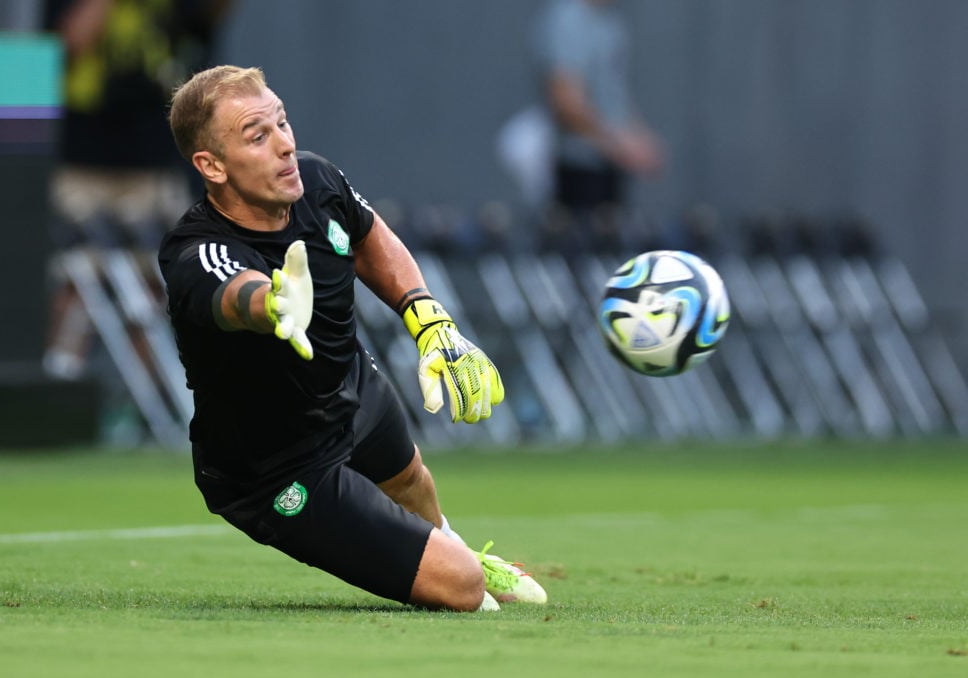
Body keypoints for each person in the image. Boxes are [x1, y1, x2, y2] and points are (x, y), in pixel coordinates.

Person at [157, 65, 548, 612]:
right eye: (258, 135)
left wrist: (428, 320)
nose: (285, 146)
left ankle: (452, 545)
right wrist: (271, 303)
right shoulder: (196, 249)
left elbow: (370, 240)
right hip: (277, 466)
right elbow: (231, 294)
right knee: (460, 587)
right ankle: (460, 571)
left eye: (283, 123)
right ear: (211, 165)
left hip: (351, 389)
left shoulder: (317, 180)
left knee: (412, 479)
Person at [42, 0, 234, 380]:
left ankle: (141, 400)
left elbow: (212, 14)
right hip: (84, 158)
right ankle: (60, 386)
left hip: (154, 159)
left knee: (154, 284)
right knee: (77, 278)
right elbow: (68, 44)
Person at [532, 0, 665, 253]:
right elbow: (565, 100)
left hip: (609, 168)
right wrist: (619, 143)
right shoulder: (567, 19)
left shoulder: (611, 21)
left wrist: (639, 138)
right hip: (578, 169)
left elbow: (614, 98)